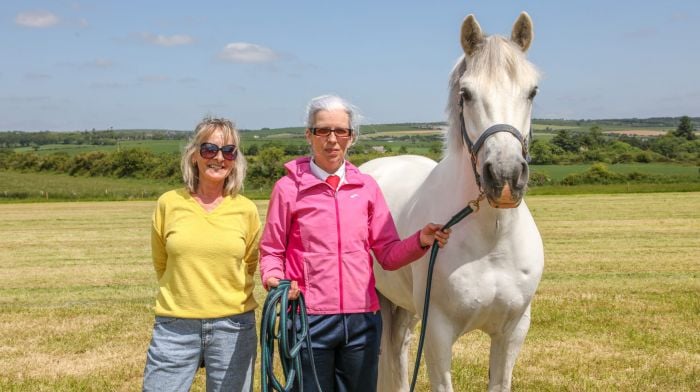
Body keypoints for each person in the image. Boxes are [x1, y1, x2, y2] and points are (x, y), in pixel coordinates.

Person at [259, 95, 450, 392]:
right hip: (307, 320)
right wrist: (274, 277)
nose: (332, 140)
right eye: (323, 131)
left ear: (351, 137)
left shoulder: (367, 188)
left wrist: (420, 241)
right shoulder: (287, 189)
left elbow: (387, 254)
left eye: (341, 131)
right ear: (309, 136)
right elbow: (272, 250)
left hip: (361, 322)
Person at [142, 117, 261, 392]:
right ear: (194, 154)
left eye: (228, 151)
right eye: (209, 149)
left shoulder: (246, 209)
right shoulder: (168, 203)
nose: (219, 158)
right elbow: (162, 263)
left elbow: (249, 265)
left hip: (233, 327)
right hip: (175, 325)